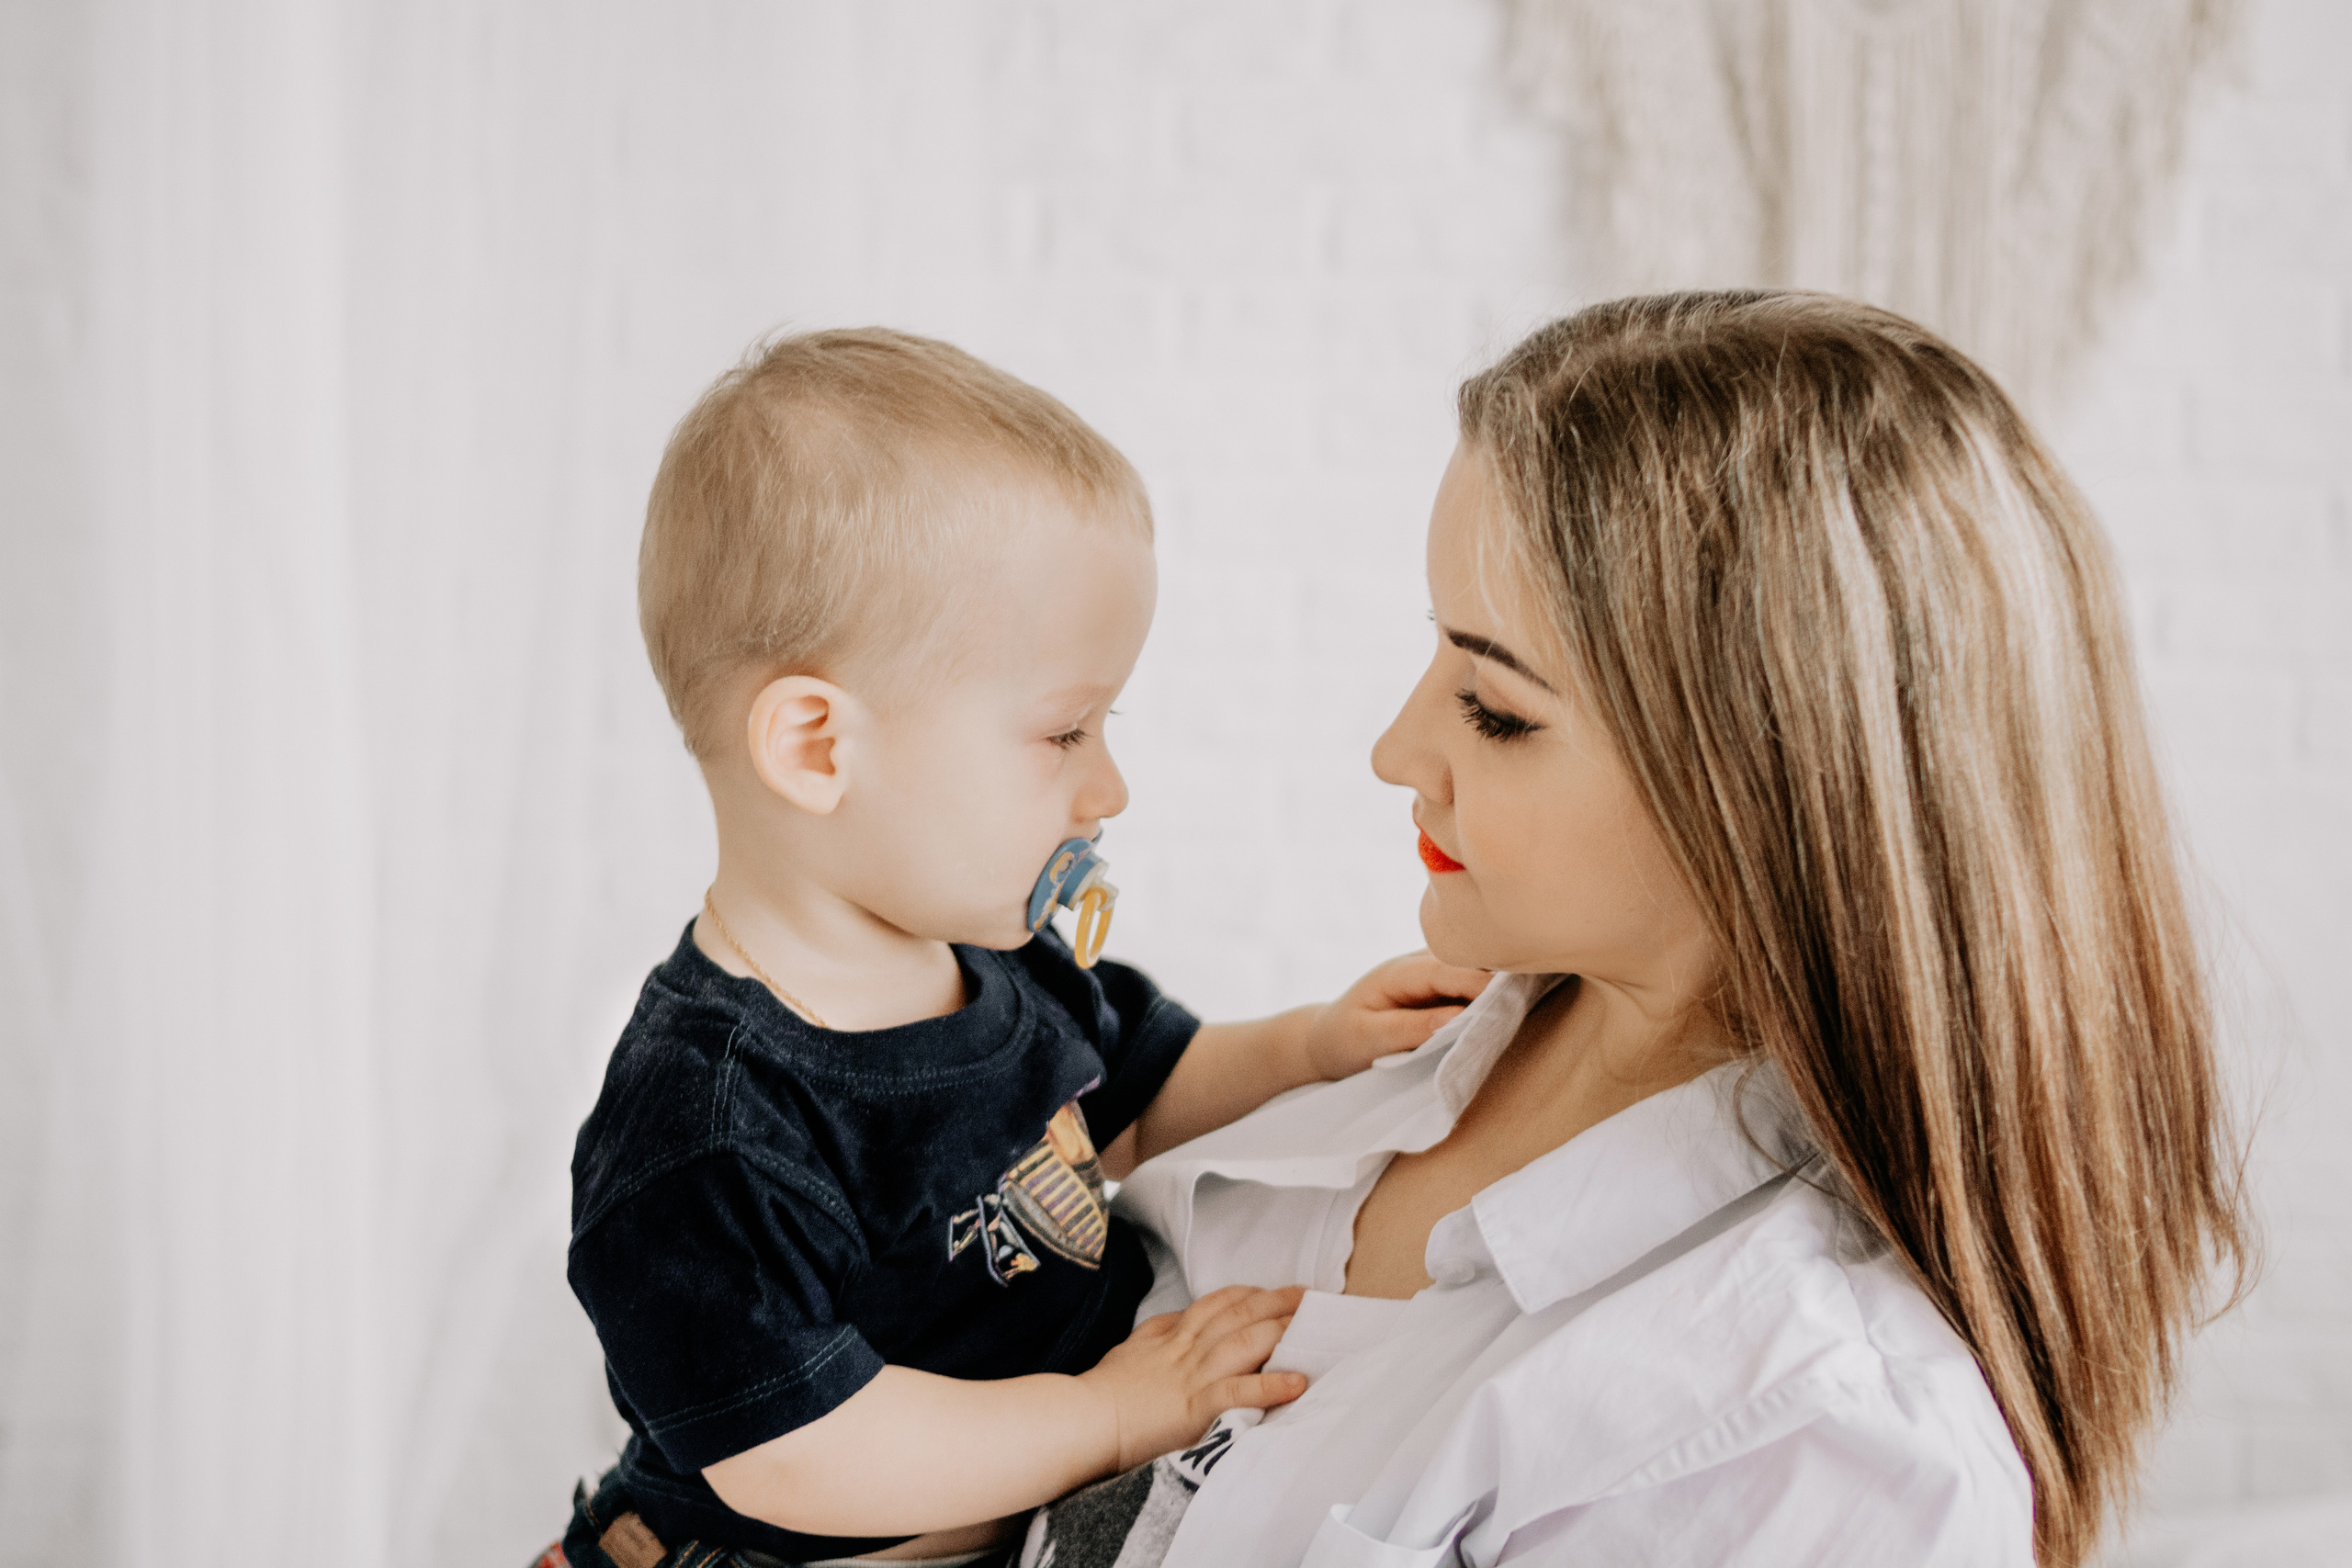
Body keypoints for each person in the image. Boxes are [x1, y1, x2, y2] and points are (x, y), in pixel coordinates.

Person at [1019, 291, 2253, 1568]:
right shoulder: (1417, 1043)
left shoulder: (1809, 1447)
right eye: (1437, 652)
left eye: (1495, 708)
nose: (1397, 751)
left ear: (1767, 797)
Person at [553, 330, 1488, 1568]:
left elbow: (1139, 1099)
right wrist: (1105, 1417)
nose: (1107, 786)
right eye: (1062, 734)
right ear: (819, 750)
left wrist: (1314, 1044)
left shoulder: (1001, 958)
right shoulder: (710, 1122)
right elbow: (806, 1454)